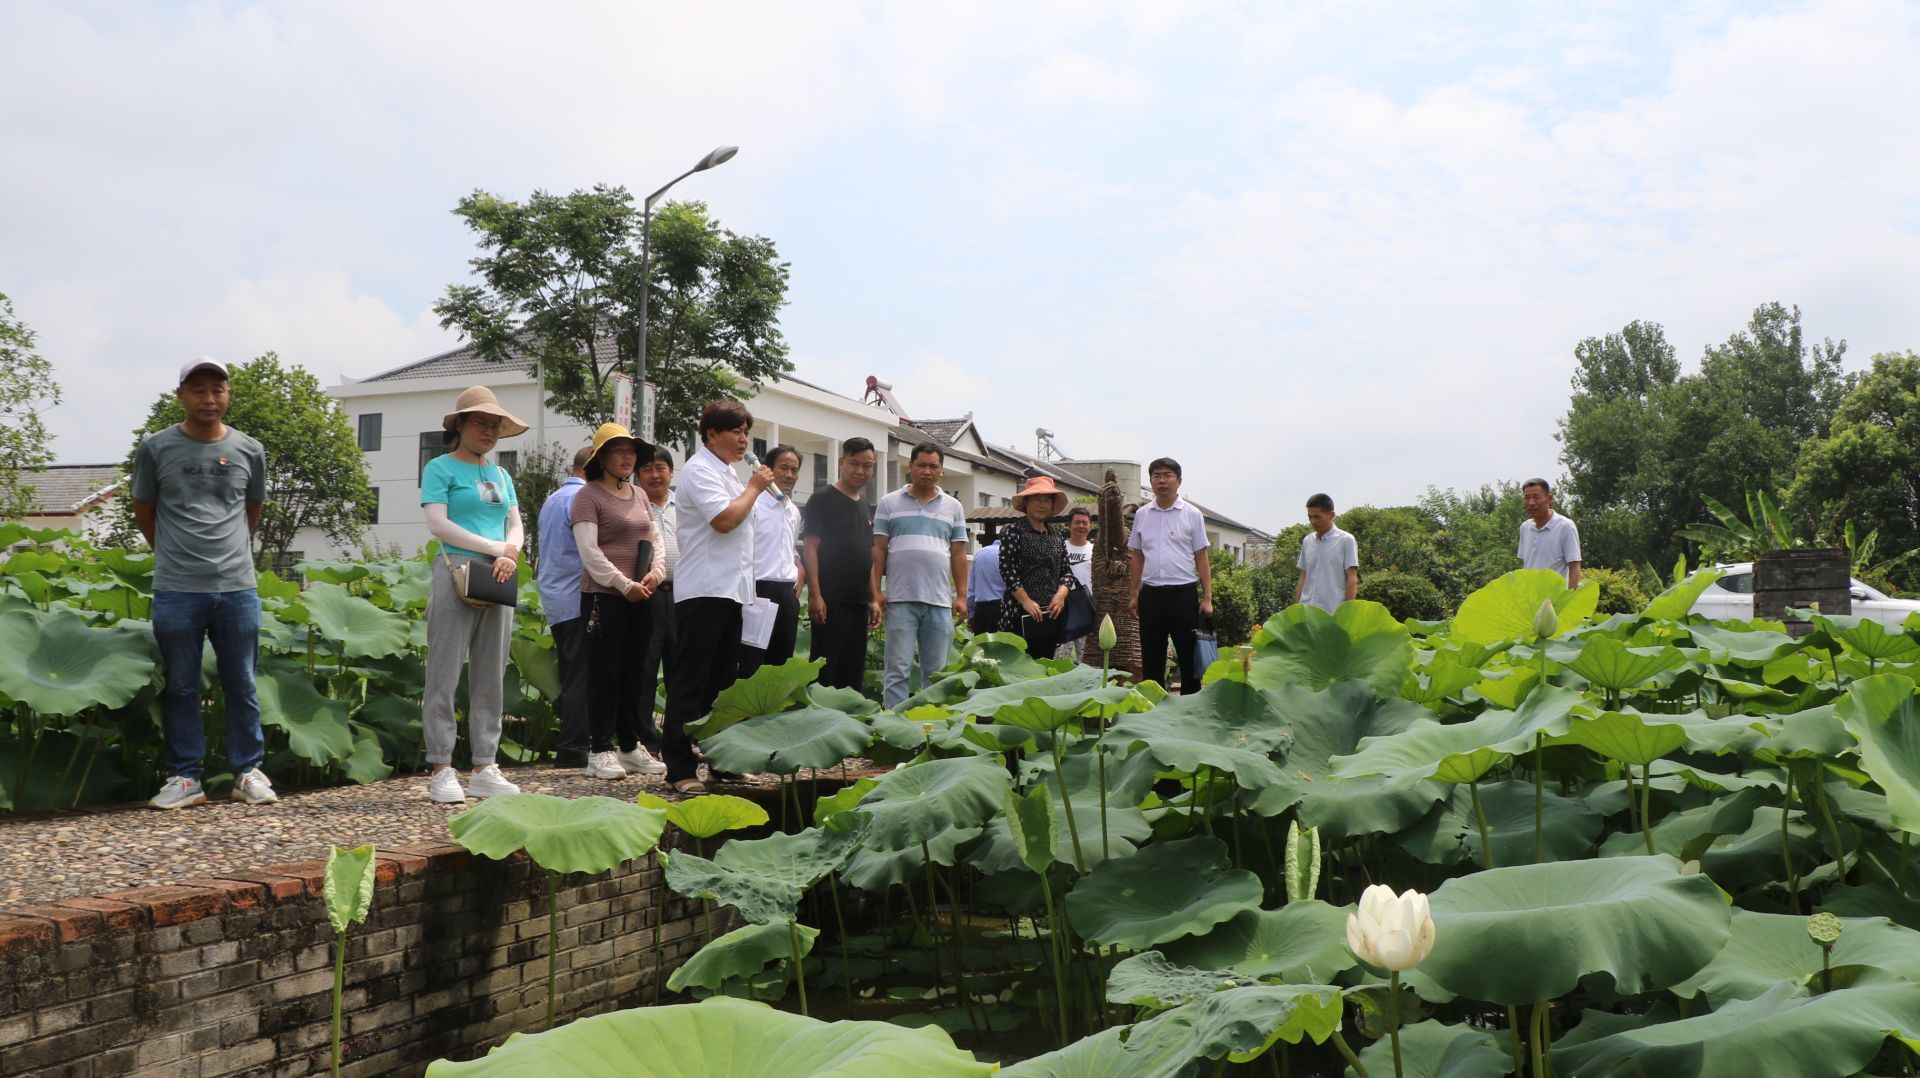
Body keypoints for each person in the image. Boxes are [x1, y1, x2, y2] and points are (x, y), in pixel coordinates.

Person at [134, 357, 276, 809]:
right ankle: (185, 778)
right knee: (180, 684)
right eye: (198, 389)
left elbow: (249, 512)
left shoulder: (250, 449)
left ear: (228, 395)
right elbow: (144, 510)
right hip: (177, 587)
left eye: (217, 389)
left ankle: (248, 772)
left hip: (237, 586)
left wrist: (227, 553)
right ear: (181, 395)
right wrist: (174, 553)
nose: (208, 398)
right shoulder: (156, 449)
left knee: (242, 682)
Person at [420, 386, 527, 803]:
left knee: (491, 671)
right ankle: (442, 766)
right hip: (456, 571)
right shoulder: (440, 467)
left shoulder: (502, 475)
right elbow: (438, 525)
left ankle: (485, 764)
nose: (489, 430)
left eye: (495, 424)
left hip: (500, 573)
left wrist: (511, 552)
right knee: (444, 668)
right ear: (460, 424)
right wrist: (496, 549)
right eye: (480, 422)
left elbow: (515, 523)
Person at [666, 399, 776, 793]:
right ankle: (678, 769)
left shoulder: (728, 473)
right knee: (691, 683)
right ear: (711, 434)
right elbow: (725, 521)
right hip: (703, 590)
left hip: (731, 591)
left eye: (746, 431)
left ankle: (722, 763)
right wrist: (754, 488)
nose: (743, 439)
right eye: (735, 431)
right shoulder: (699, 470)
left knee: (722, 685)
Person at [572, 424, 669, 781]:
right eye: (619, 450)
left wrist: (656, 573)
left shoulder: (640, 495)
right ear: (601, 458)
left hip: (641, 595)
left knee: (636, 673)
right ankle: (599, 749)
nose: (628, 456)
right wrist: (622, 583)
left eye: (631, 450)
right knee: (604, 673)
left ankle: (630, 747)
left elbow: (654, 537)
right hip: (604, 596)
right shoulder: (587, 496)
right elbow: (589, 552)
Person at [871, 442, 969, 708]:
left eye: (933, 466)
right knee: (897, 671)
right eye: (921, 465)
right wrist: (876, 592)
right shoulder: (889, 503)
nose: (927, 471)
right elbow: (878, 551)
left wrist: (961, 596)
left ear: (941, 471)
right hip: (900, 599)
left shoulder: (953, 507)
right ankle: (892, 732)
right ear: (911, 467)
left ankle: (930, 732)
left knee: (936, 676)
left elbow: (958, 555)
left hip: (939, 601)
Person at [1128, 457, 1213, 694]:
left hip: (1183, 594)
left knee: (1188, 657)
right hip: (1151, 594)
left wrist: (1207, 597)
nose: (1161, 481)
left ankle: (1190, 710)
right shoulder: (1142, 514)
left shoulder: (1192, 514)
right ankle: (1154, 710)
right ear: (1151, 482)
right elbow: (1137, 556)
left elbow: (1201, 556)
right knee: (1151, 657)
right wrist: (1134, 594)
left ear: (1179, 481)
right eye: (1156, 476)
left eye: (1167, 475)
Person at [804, 437, 878, 690]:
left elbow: (867, 555)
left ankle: (847, 725)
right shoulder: (822, 499)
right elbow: (810, 548)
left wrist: (873, 598)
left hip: (858, 602)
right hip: (829, 601)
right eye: (854, 463)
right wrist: (815, 594)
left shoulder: (865, 506)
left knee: (852, 672)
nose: (860, 471)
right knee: (825, 673)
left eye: (867, 465)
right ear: (841, 462)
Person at [536, 445, 594, 769]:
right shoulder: (580, 499)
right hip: (576, 596)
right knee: (581, 676)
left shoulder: (553, 498)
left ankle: (572, 744)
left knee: (572, 672)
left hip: (555, 598)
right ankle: (573, 747)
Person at [738, 445, 805, 678]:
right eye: (784, 468)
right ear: (768, 469)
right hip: (757, 593)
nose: (789, 475)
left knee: (780, 666)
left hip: (786, 595)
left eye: (794, 470)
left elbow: (790, 550)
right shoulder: (752, 505)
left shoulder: (793, 512)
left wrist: (799, 572)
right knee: (750, 665)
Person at [1000, 477, 1075, 659]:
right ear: (1026, 503)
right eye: (1037, 499)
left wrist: (1060, 596)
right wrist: (1025, 601)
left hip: (1050, 614)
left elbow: (1067, 572)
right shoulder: (1014, 531)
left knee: (1045, 666)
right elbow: (1007, 570)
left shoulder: (1056, 536)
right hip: (1019, 614)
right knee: (1018, 668)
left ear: (1052, 505)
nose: (1042, 504)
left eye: (1047, 500)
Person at [636, 447, 678, 753]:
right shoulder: (634, 506)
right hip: (645, 594)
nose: (655, 474)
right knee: (644, 669)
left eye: (661, 467)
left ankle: (680, 738)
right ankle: (646, 741)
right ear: (638, 475)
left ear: (671, 473)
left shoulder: (685, 505)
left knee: (682, 669)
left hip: (682, 595)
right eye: (648, 468)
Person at [1295, 493, 1360, 613]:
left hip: (1332, 612)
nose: (1313, 521)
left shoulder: (1346, 540)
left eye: (1317, 517)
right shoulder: (1307, 541)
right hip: (1306, 611)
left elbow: (1352, 579)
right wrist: (1296, 608)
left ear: (1331, 515)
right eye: (1310, 517)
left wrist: (1346, 614)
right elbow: (1304, 576)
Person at [1518, 478, 1583, 587]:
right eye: (1527, 498)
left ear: (1549, 499)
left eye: (1536, 497)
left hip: (1556, 599)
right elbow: (1526, 565)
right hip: (1530, 599)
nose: (1531, 503)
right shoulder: (1525, 527)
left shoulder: (1565, 526)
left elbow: (1574, 567)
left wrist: (1569, 599)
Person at [1062, 505, 1095, 659]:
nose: (1081, 526)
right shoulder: (1060, 548)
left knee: (1086, 657)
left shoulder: (1095, 550)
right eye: (1077, 522)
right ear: (1069, 525)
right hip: (1063, 608)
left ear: (1090, 526)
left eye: (1084, 523)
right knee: (1060, 657)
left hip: (1087, 608)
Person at [967, 528, 1004, 636]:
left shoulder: (980, 553)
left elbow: (972, 589)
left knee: (981, 649)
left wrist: (972, 615)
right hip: (1004, 610)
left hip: (981, 610)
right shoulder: (1011, 555)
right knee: (1004, 650)